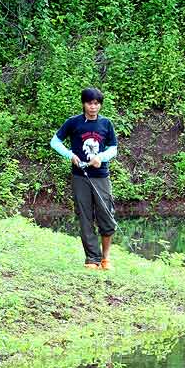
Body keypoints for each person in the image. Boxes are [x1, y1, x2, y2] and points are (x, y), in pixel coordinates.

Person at [50, 87, 118, 270]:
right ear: (83, 103)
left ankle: (105, 258)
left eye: (96, 103)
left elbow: (113, 148)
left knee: (106, 215)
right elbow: (55, 142)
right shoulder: (73, 123)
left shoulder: (106, 124)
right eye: (90, 103)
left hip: (101, 176)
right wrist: (69, 155)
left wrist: (101, 158)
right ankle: (92, 259)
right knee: (85, 217)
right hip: (80, 177)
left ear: (100, 105)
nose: (93, 107)